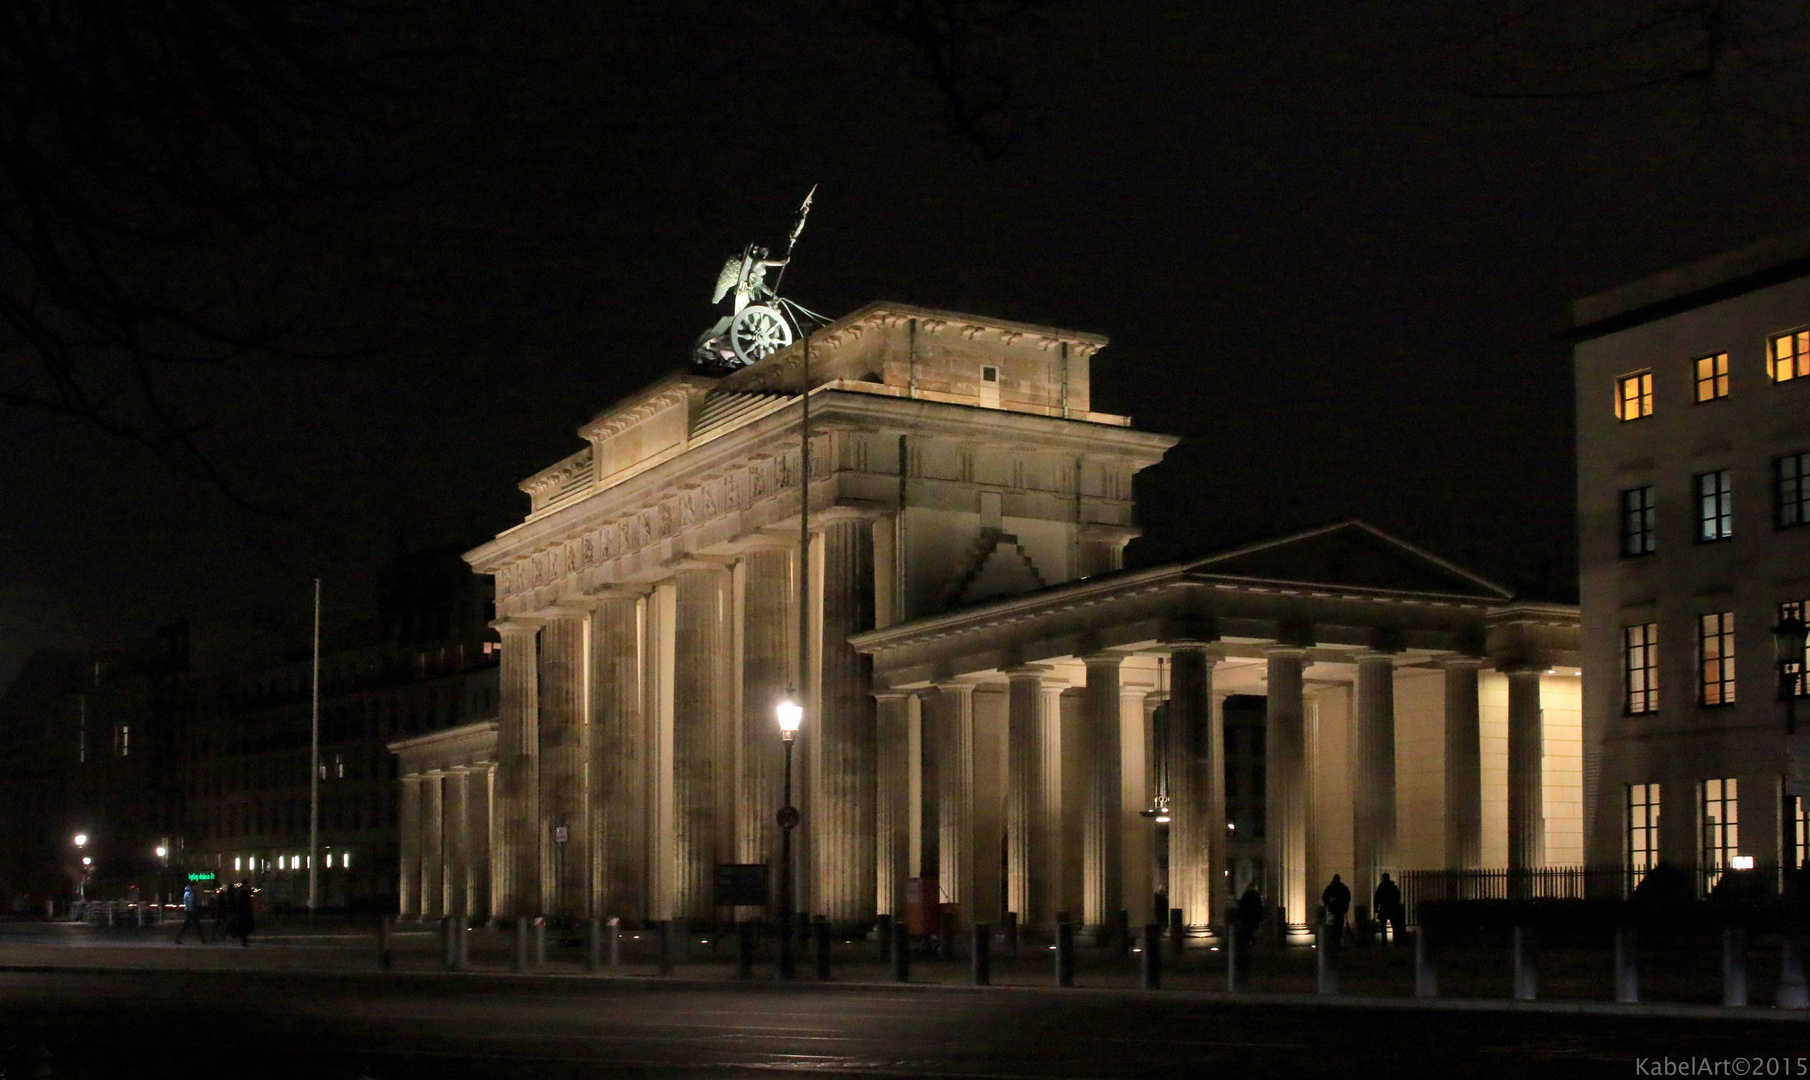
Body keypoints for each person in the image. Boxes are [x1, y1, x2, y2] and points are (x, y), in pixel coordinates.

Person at [1373, 873, 1403, 944]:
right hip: (1393, 908)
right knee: (1394, 925)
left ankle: (1384, 941)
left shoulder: (1381, 887)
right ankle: (1395, 940)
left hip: (1384, 907)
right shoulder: (1393, 887)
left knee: (1383, 925)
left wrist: (1376, 907)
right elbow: (1397, 896)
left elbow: (1377, 898)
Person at [1321, 874, 1351, 940]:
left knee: (1333, 925)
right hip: (1339, 909)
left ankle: (1334, 939)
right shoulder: (1343, 887)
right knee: (1339, 925)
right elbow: (1347, 898)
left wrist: (1328, 904)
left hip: (1333, 909)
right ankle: (1337, 939)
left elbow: (1325, 897)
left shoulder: (1330, 887)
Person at [1236, 883, 1264, 947]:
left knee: (1247, 929)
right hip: (1254, 916)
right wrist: (1261, 917)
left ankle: (1247, 941)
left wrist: (1240, 917)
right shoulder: (1257, 895)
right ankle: (1252, 941)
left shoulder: (1245, 894)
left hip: (1247, 916)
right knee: (1253, 929)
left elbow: (1241, 906)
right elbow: (1259, 906)